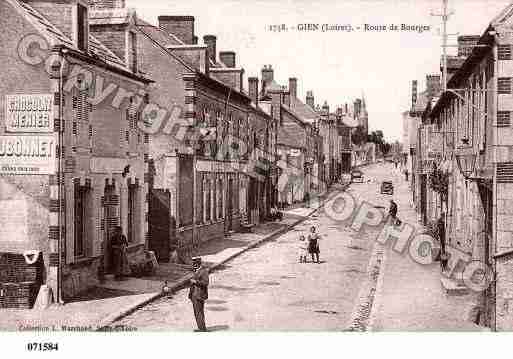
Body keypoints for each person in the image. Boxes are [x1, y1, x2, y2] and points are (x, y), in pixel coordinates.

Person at [188, 257, 210, 332]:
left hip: (199, 295)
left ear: (199, 263)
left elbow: (206, 283)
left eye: (195, 264)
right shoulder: (196, 270)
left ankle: (202, 329)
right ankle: (201, 327)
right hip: (194, 294)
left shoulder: (204, 271)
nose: (194, 265)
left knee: (199, 312)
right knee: (197, 312)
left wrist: (195, 282)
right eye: (193, 264)